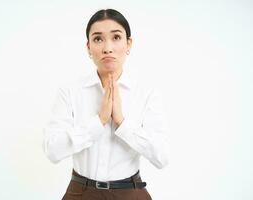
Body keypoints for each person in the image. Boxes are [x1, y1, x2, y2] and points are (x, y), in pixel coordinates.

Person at [43, 8, 169, 200]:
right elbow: (52, 151)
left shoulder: (146, 94)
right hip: (80, 192)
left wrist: (122, 122)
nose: (107, 48)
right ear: (88, 47)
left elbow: (161, 157)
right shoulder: (70, 92)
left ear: (129, 44)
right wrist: (98, 121)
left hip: (130, 192)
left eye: (116, 37)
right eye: (98, 39)